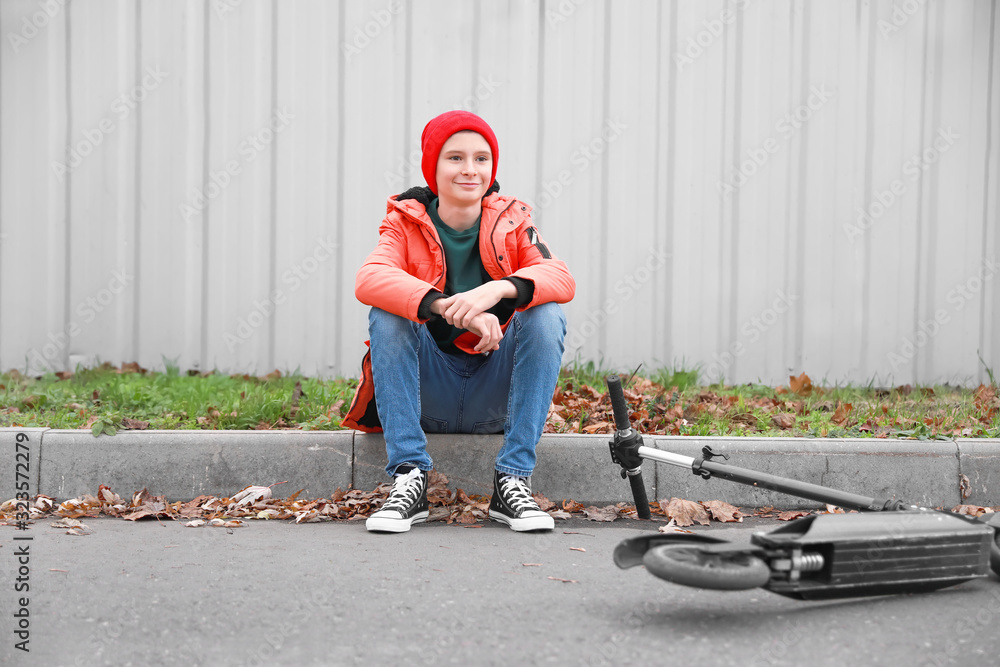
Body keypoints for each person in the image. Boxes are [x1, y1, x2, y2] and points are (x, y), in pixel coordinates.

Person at [342, 110, 576, 533]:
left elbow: (559, 276)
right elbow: (370, 278)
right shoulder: (404, 221)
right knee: (387, 314)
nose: (470, 169)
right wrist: (447, 306)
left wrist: (495, 291)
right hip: (427, 397)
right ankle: (409, 478)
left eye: (481, 159)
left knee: (547, 313)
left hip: (495, 401)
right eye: (455, 158)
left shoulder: (512, 219)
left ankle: (513, 479)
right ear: (433, 166)